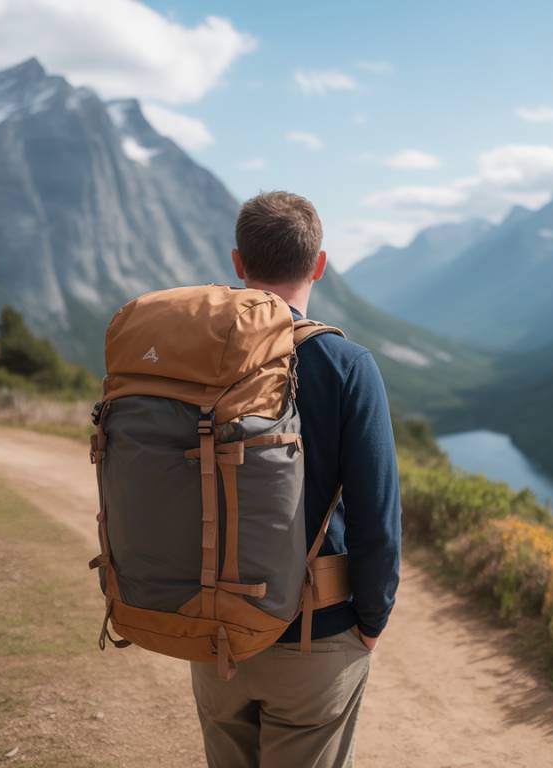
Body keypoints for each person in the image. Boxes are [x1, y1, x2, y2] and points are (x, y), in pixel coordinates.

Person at [189, 191, 402, 768]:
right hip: (316, 634)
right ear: (319, 264)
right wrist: (371, 622)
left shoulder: (195, 355)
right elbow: (376, 518)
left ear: (238, 263)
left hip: (216, 633)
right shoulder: (346, 365)